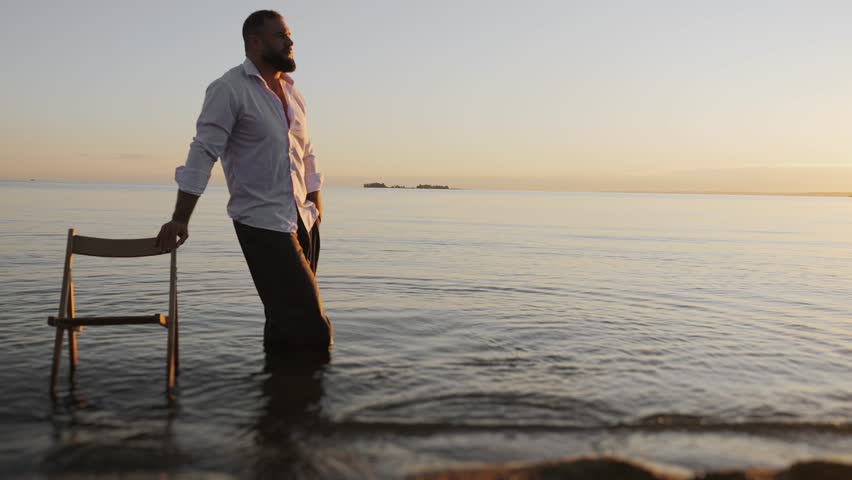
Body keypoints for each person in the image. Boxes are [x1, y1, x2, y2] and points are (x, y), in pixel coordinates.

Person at [155, 10, 333, 354]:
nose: (291, 42)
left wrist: (316, 207)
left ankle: (276, 403)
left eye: (289, 35)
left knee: (284, 322)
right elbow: (203, 151)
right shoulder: (229, 89)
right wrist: (181, 217)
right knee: (313, 327)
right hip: (262, 222)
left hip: (304, 220)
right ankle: (313, 407)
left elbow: (307, 154)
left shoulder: (294, 95)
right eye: (281, 35)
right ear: (255, 42)